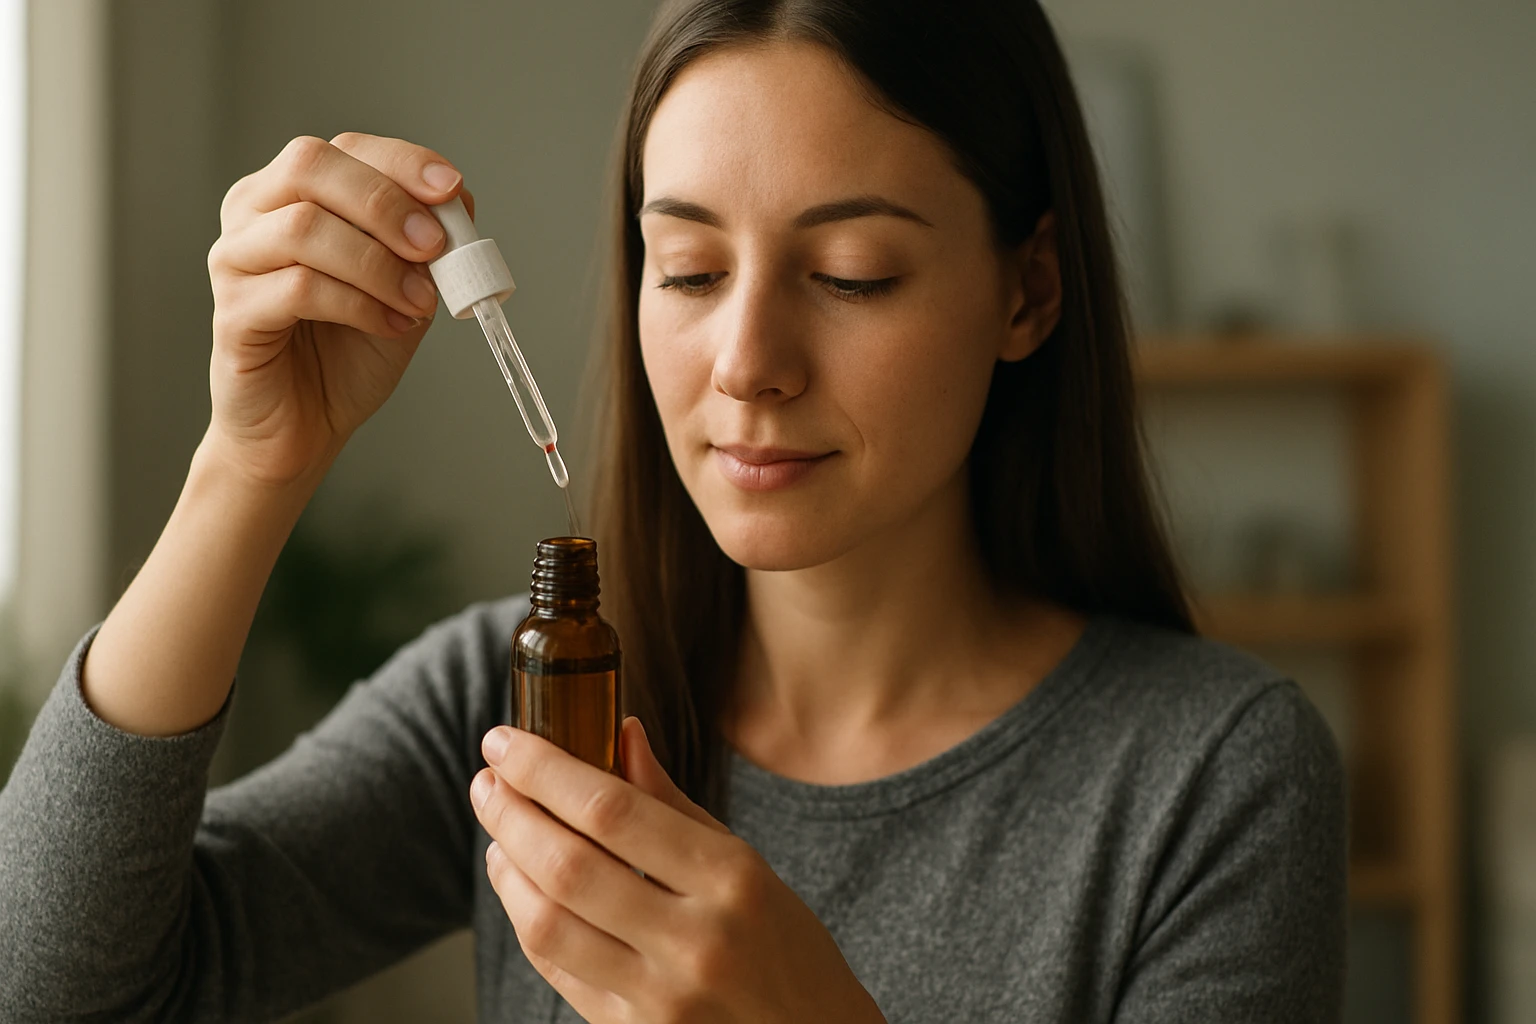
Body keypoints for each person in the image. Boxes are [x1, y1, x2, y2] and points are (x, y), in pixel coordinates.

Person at [0, 1, 1346, 1021]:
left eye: (853, 273)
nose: (745, 361)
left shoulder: (1209, 783)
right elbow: (47, 981)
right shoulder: (522, 702)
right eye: (689, 268)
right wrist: (250, 464)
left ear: (1027, 292)